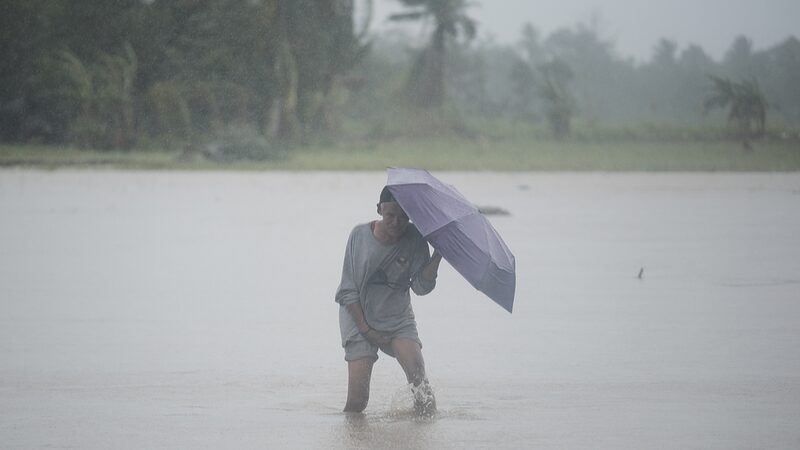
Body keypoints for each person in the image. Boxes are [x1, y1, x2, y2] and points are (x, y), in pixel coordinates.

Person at [335, 186, 443, 416]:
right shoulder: (359, 236)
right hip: (358, 316)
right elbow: (347, 290)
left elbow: (420, 288)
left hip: (397, 318)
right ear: (379, 210)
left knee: (422, 390)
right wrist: (366, 329)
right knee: (358, 402)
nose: (396, 222)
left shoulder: (415, 239)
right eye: (390, 215)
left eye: (404, 217)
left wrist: (437, 257)